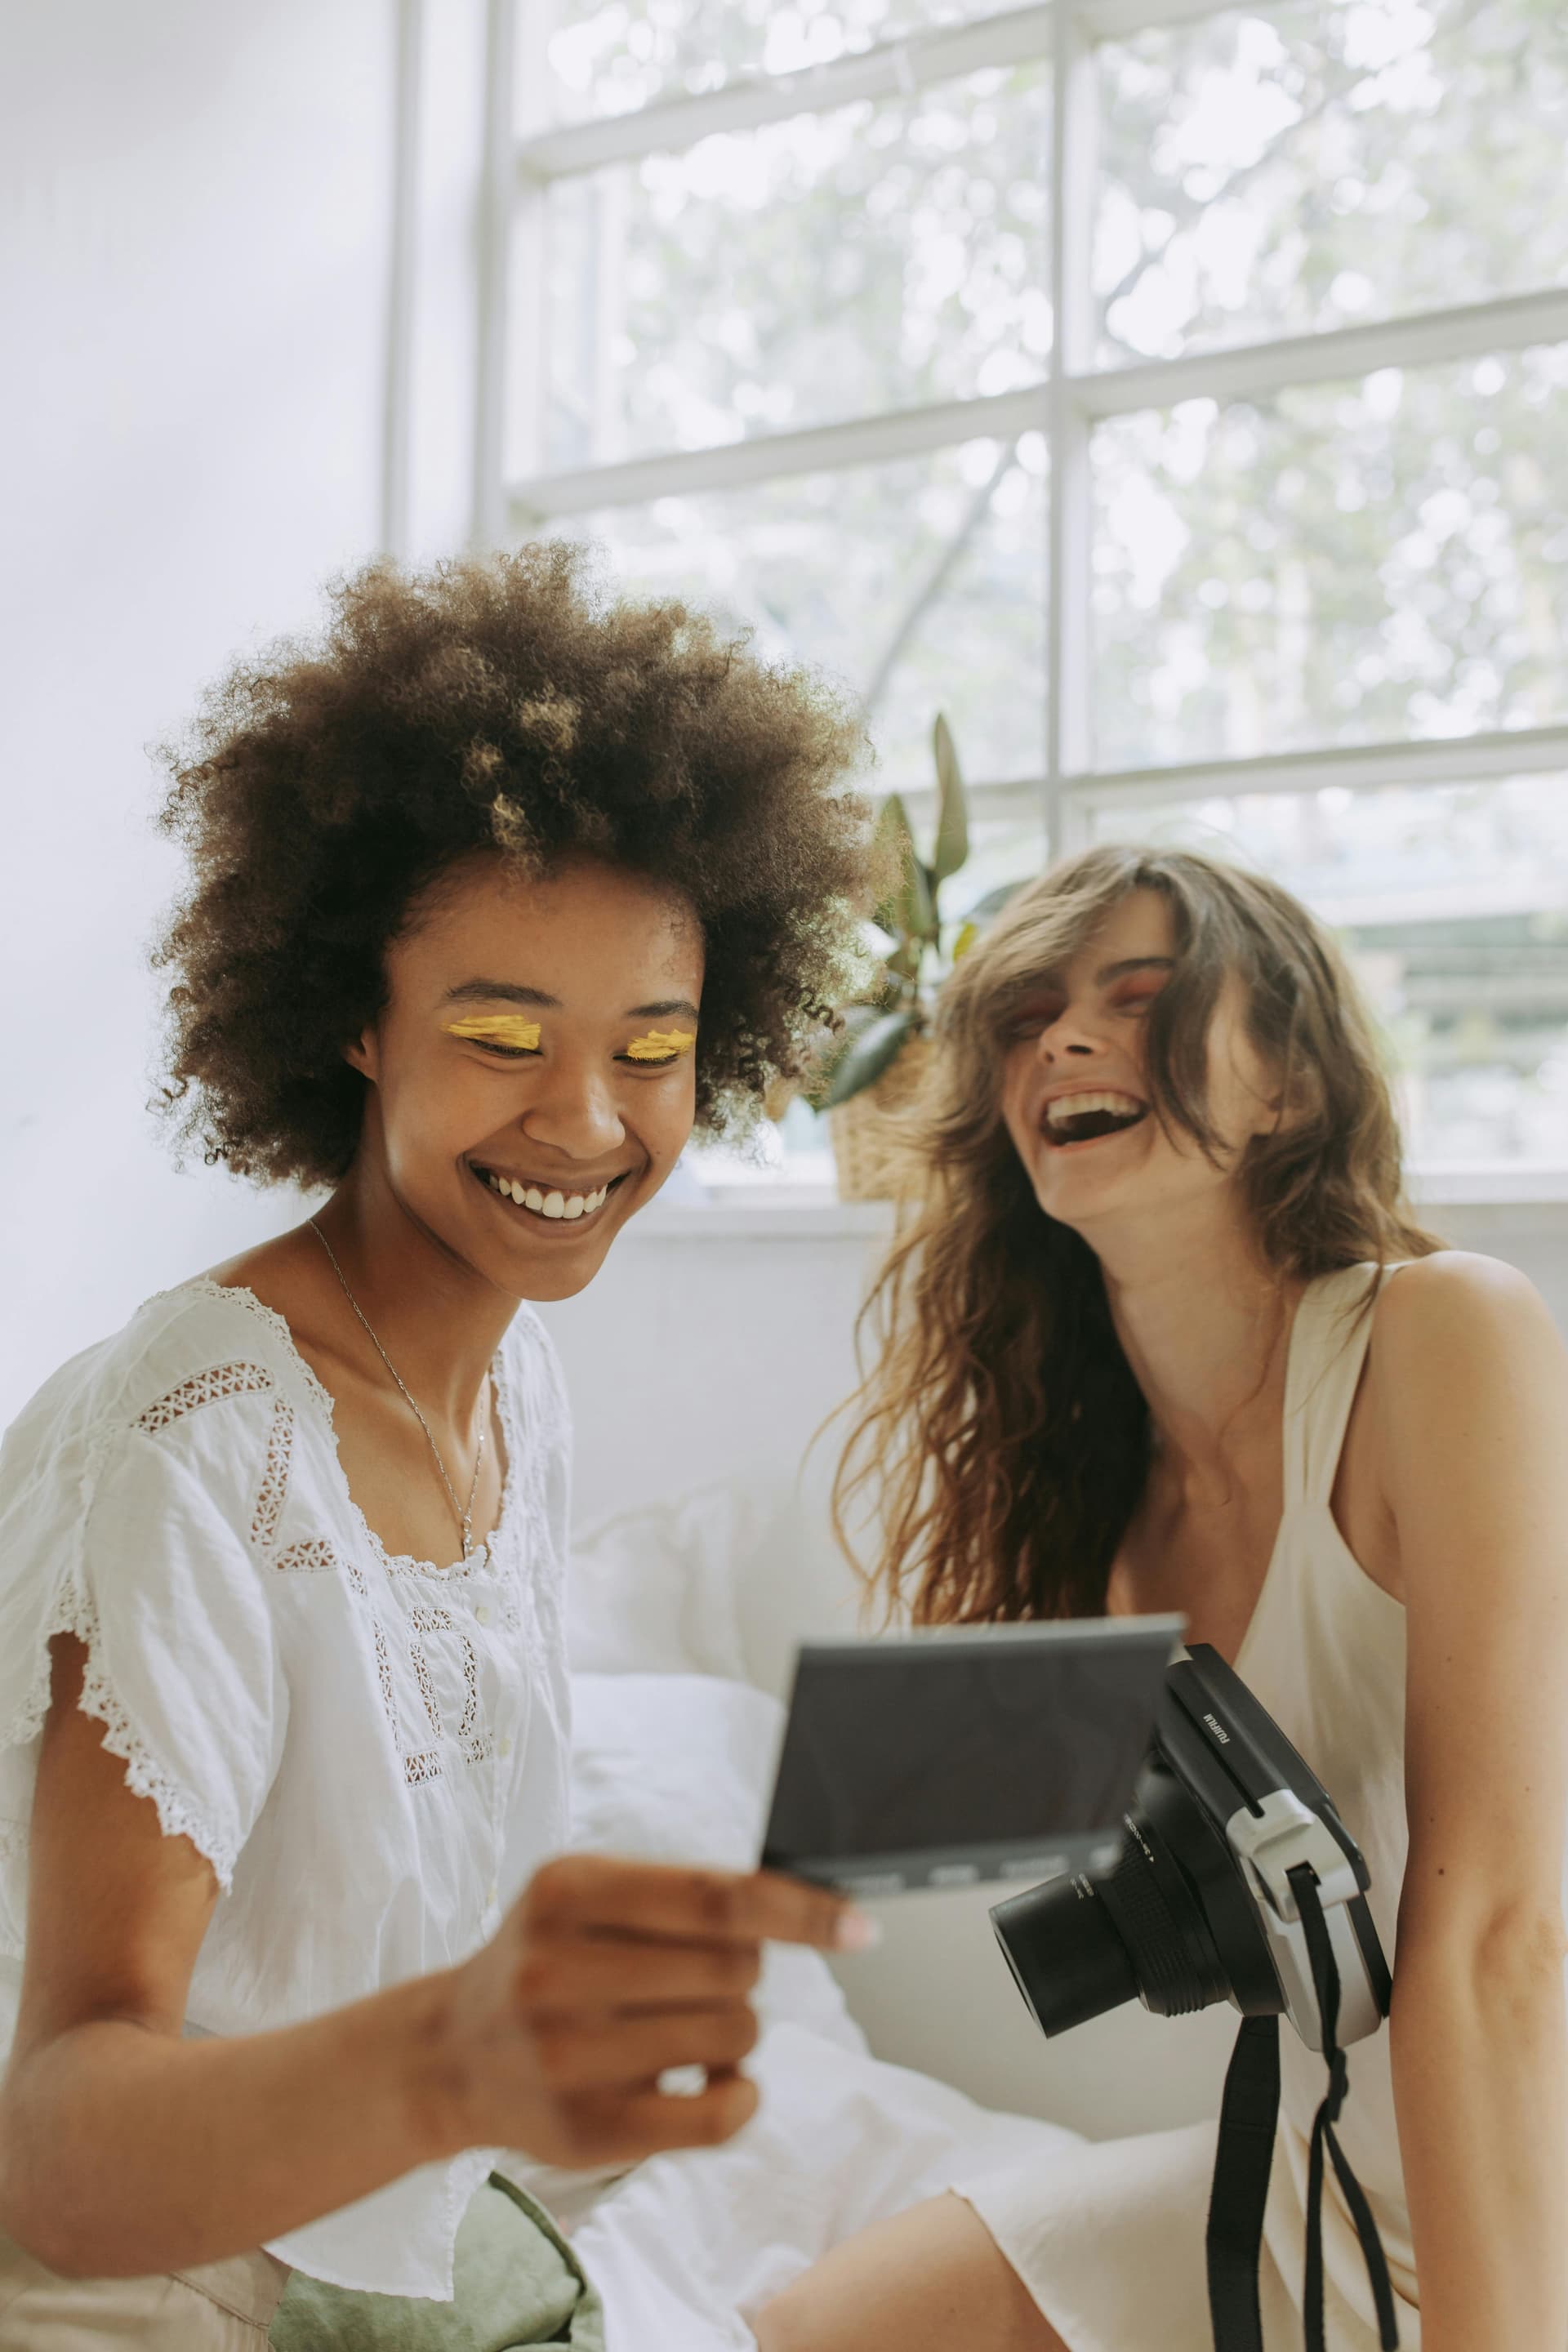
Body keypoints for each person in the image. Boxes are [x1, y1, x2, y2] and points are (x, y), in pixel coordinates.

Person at [0, 544, 877, 2346]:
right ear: (350, 1018)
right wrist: (455, 2058)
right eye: (499, 1033)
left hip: (375, 2240)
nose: (587, 1117)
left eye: (655, 1044)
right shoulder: (196, 1441)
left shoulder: (510, 1378)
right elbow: (58, 2151)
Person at [755, 846, 1568, 2352]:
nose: (1066, 1040)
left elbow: (1502, 1931)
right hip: (1328, 2170)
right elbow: (936, 1817)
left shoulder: (1445, 1339)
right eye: (1031, 1014)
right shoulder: (1085, 1495)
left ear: (1290, 1089)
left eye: (1141, 1000)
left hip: (1529, 2180)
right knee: (802, 2336)